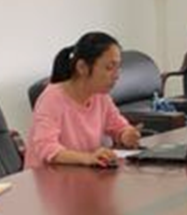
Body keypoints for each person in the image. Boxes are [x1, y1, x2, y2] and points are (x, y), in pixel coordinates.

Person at [28, 32, 143, 168]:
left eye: (118, 68)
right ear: (82, 67)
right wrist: (87, 158)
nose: (116, 76)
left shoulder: (101, 96)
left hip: (83, 173)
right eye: (109, 68)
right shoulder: (52, 99)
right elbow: (46, 146)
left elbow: (117, 125)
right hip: (49, 176)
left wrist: (126, 134)